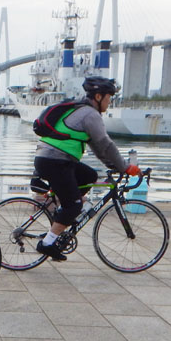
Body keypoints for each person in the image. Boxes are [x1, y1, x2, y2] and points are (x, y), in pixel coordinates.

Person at [33, 76, 142, 261]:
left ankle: (63, 215)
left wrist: (113, 165)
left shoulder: (81, 111)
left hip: (54, 159)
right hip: (56, 161)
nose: (110, 102)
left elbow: (98, 148)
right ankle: (47, 243)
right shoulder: (90, 114)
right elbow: (106, 144)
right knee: (74, 205)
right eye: (109, 97)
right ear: (98, 97)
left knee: (89, 175)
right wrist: (125, 167)